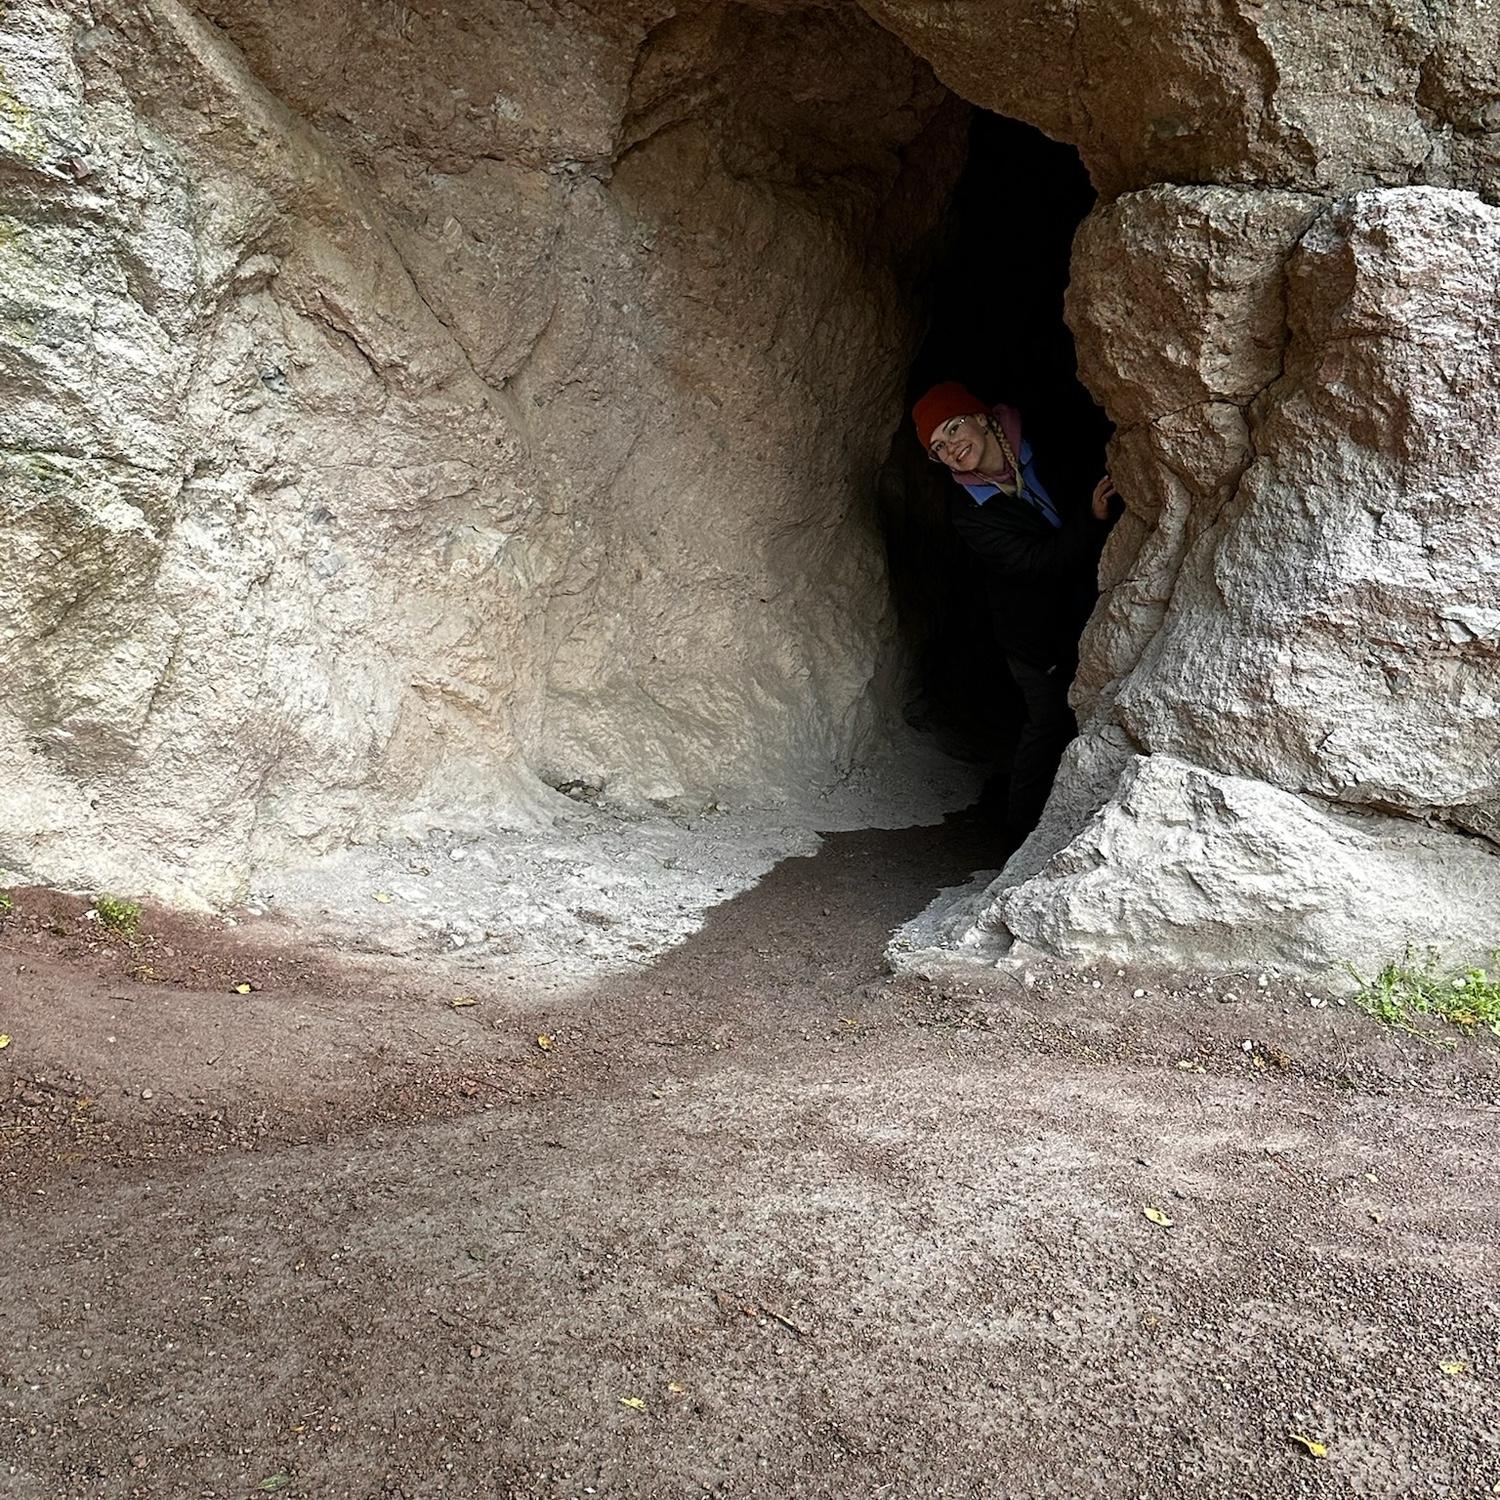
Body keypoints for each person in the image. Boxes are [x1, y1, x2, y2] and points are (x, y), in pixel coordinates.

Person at [912, 380, 1115, 836]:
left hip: (1096, 594)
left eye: (954, 427)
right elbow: (1032, 564)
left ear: (981, 417)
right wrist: (1092, 519)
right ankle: (1020, 839)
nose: (951, 447)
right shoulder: (969, 509)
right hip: (1033, 631)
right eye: (938, 447)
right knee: (1048, 723)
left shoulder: (1045, 433)